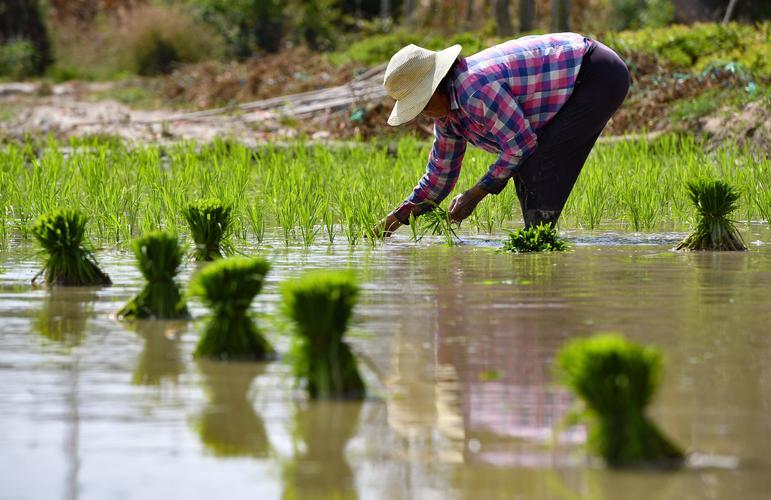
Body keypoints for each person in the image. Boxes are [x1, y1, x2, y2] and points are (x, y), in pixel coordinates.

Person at [375, 33, 630, 235]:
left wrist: (476, 193)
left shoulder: (474, 91)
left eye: (423, 104)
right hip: (580, 78)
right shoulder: (447, 116)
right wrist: (393, 221)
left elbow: (520, 145)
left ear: (437, 87)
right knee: (528, 168)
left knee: (536, 166)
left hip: (595, 73)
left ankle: (539, 248)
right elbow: (439, 176)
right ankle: (539, 242)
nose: (424, 114)